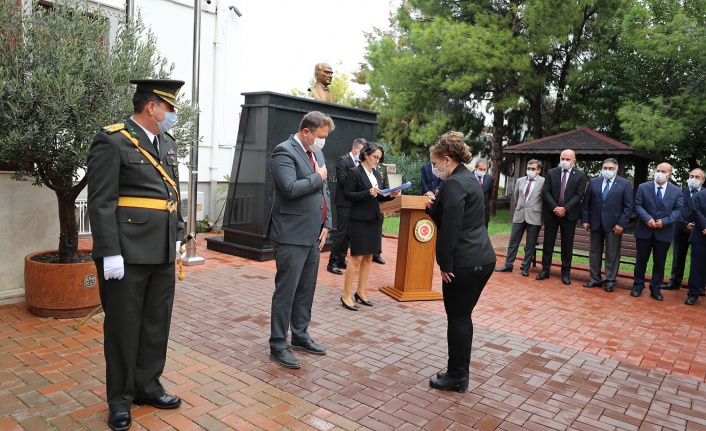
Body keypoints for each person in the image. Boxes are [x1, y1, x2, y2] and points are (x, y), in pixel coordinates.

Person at [87, 79, 186, 431]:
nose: (173, 115)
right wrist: (110, 252)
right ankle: (120, 400)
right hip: (126, 253)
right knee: (123, 327)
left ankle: (148, 386)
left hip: (161, 250)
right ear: (152, 107)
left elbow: (173, 193)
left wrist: (178, 235)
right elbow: (101, 203)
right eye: (170, 109)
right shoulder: (112, 140)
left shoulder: (167, 144)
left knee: (156, 322)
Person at [425, 131, 496, 393]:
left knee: (457, 319)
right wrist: (434, 207)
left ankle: (456, 377)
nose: (433, 168)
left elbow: (451, 229)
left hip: (464, 262)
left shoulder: (454, 183)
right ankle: (458, 371)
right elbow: (459, 217)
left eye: (434, 163)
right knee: (463, 318)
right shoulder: (467, 180)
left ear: (446, 160)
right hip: (482, 257)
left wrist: (445, 264)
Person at [268, 111, 333, 369]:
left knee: (306, 289)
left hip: (313, 233)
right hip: (290, 233)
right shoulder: (283, 151)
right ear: (307, 132)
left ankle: (300, 334)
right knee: (287, 290)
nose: (322, 142)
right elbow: (290, 188)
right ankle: (278, 344)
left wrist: (327, 224)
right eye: (320, 136)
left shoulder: (316, 153)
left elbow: (325, 190)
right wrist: (319, 177)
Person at [340, 142, 399, 311]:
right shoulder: (354, 172)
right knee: (357, 257)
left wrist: (390, 195)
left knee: (368, 257)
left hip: (373, 219)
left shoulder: (376, 173)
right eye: (375, 157)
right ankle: (346, 295)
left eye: (379, 159)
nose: (377, 161)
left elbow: (377, 197)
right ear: (366, 154)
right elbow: (348, 195)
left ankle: (360, 291)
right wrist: (368, 193)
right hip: (359, 219)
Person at [631, 163, 683, 301]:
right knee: (641, 260)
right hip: (644, 230)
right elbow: (637, 205)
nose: (659, 173)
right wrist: (647, 218)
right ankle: (638, 285)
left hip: (664, 231)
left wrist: (665, 221)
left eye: (663, 171)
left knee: (659, 262)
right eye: (658, 170)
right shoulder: (643, 187)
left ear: (669, 174)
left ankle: (655, 289)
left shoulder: (677, 191)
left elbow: (678, 210)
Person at [581, 158, 634, 292]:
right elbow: (586, 203)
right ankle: (595, 279)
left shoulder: (625, 184)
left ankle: (610, 281)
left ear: (616, 170)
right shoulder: (594, 182)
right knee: (594, 252)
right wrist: (585, 220)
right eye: (605, 168)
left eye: (610, 168)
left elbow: (628, 207)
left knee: (612, 253)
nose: (607, 171)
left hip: (614, 225)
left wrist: (621, 224)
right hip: (595, 223)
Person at [536, 149, 587, 285]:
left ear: (574, 161)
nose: (564, 161)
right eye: (562, 158)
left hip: (569, 215)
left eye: (568, 159)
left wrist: (565, 209)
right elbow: (545, 191)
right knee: (548, 243)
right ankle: (545, 270)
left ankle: (565, 273)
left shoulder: (580, 175)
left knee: (567, 245)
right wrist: (555, 208)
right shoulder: (552, 173)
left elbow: (579, 194)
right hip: (552, 214)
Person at [495, 160, 544, 277]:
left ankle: (525, 267)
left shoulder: (543, 182)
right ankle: (508, 265)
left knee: (530, 244)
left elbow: (544, 199)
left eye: (533, 169)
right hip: (519, 214)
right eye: (529, 168)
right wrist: (521, 207)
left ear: (539, 170)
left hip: (534, 216)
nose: (530, 171)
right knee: (513, 241)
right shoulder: (520, 181)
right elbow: (516, 196)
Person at [327, 138, 366, 275]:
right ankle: (332, 262)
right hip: (344, 203)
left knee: (349, 234)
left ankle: (341, 259)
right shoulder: (342, 161)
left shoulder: (362, 164)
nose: (362, 155)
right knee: (341, 233)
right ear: (354, 148)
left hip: (356, 203)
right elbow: (343, 181)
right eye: (361, 151)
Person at [663, 169, 704, 290]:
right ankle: (675, 281)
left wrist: (697, 225)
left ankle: (699, 285)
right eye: (692, 176)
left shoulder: (705, 194)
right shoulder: (680, 192)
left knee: (699, 260)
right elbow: (674, 209)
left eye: (697, 177)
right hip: (681, 229)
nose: (694, 179)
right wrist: (684, 224)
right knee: (678, 257)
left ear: (703, 180)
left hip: (699, 231)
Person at [685, 189, 706, 305]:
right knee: (697, 267)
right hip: (700, 236)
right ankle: (693, 293)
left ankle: (701, 287)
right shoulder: (700, 195)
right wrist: (705, 227)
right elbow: (696, 212)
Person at [372, 161, 390, 265]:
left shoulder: (382, 168)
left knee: (378, 229)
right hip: (366, 202)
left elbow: (385, 186)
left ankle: (376, 253)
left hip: (379, 204)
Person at [473, 159, 494, 228]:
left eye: (484, 169)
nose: (482, 171)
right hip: (471, 209)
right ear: (476, 167)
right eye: (480, 169)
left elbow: (490, 194)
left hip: (484, 210)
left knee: (483, 231)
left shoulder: (489, 178)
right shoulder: (469, 176)